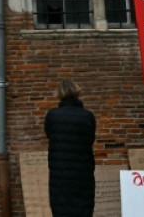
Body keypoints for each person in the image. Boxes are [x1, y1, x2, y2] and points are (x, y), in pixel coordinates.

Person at [44, 78, 97, 217]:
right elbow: (90, 139)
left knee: (61, 208)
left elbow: (50, 135)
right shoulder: (87, 116)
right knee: (83, 209)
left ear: (59, 94)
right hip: (83, 173)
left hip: (59, 173)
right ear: (77, 93)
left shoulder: (52, 115)